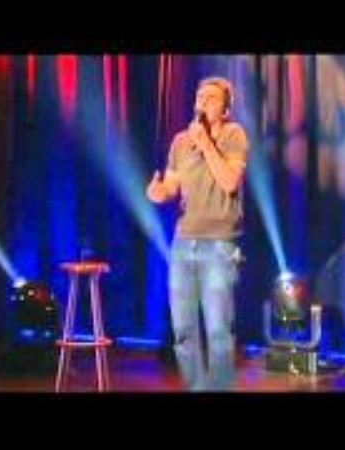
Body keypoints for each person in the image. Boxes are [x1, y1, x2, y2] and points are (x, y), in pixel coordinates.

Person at [146, 76, 249, 391]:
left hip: (220, 242)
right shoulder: (181, 141)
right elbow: (171, 186)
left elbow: (229, 182)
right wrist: (158, 192)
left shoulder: (233, 134)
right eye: (200, 97)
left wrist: (205, 144)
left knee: (218, 328)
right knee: (183, 330)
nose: (203, 102)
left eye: (212, 98)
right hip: (183, 242)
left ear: (225, 110)